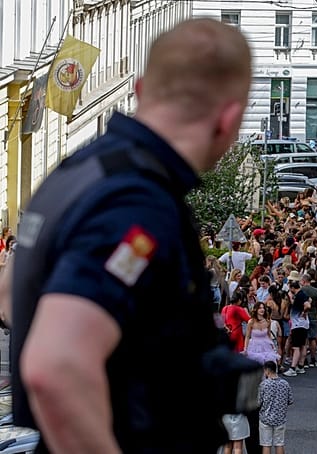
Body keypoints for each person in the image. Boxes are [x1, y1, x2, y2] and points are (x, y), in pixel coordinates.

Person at [3, 19, 259, 453]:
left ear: (140, 89)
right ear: (229, 118)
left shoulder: (80, 172)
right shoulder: (136, 203)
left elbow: (10, 294)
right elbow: (55, 366)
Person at [258, 360, 293, 454]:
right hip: (280, 418)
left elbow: (258, 402)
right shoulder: (285, 384)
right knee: (279, 443)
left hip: (265, 417)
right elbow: (290, 400)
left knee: (266, 444)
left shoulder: (264, 385)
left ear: (267, 371)